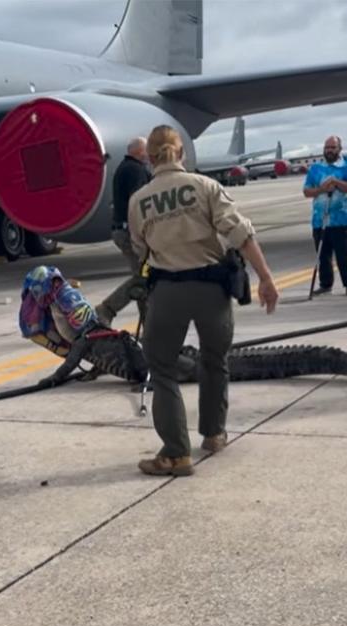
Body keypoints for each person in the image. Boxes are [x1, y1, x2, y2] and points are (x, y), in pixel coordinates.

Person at [128, 124, 279, 477]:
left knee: (162, 368)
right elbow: (240, 233)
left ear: (149, 158)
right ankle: (213, 434)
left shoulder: (139, 200)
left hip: (168, 292)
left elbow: (140, 249)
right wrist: (266, 279)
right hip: (212, 290)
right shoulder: (207, 187)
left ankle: (176, 453)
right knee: (215, 361)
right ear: (181, 154)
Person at [96, 137, 152, 327]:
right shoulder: (136, 170)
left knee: (145, 278)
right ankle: (107, 309)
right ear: (138, 152)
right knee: (144, 277)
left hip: (122, 230)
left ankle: (149, 324)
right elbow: (139, 203)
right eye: (146, 151)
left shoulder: (124, 168)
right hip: (130, 232)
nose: (149, 155)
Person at [302, 136, 347, 296]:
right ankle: (325, 284)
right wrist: (321, 189)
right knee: (323, 255)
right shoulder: (316, 168)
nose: (329, 150)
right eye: (327, 147)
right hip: (320, 219)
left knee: (344, 254)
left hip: (341, 218)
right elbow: (307, 191)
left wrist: (336, 182)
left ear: (339, 149)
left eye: (333, 147)